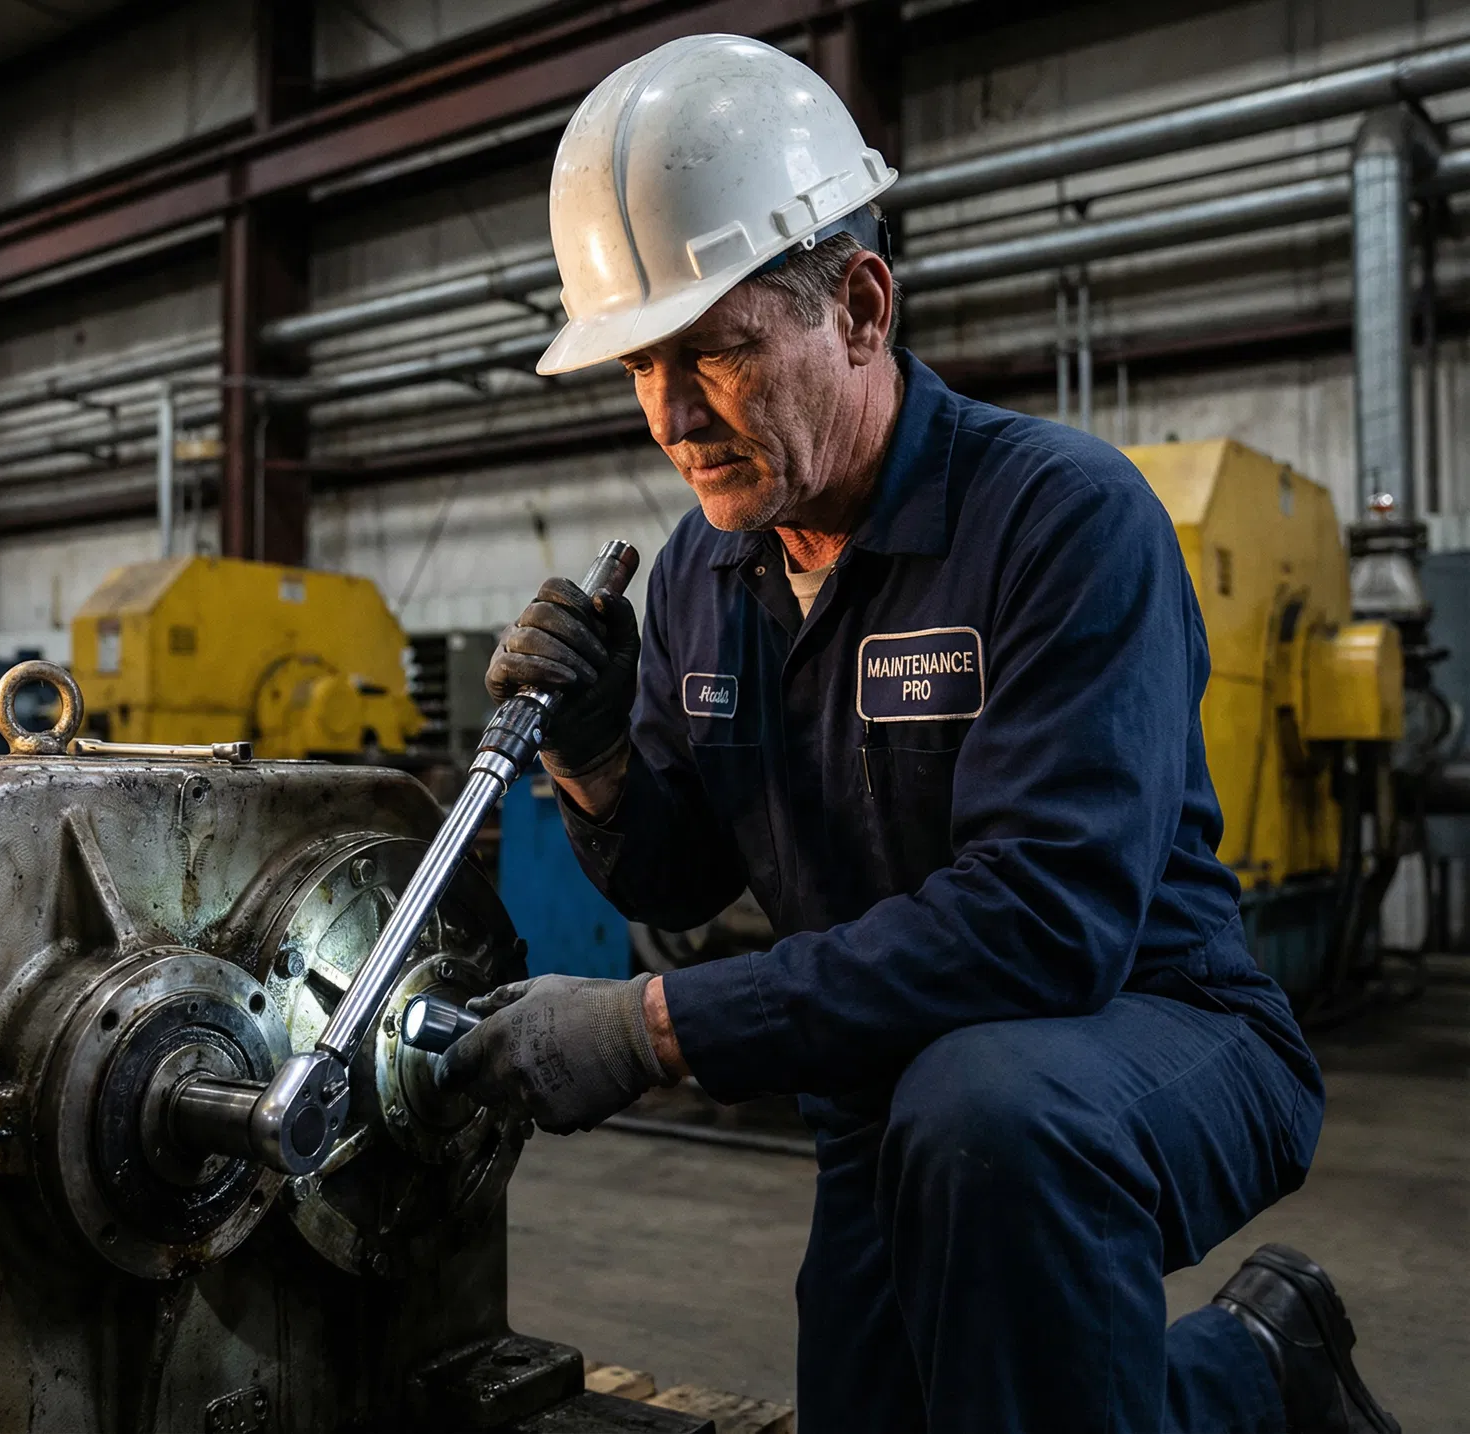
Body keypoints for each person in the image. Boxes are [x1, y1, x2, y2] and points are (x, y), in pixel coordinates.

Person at [434, 33, 1400, 1434]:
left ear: (861, 307)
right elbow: (679, 878)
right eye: (640, 365)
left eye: (717, 351)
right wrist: (592, 757)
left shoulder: (1062, 521)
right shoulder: (706, 570)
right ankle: (1259, 1366)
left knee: (987, 1117)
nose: (673, 418)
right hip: (885, 1090)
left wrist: (654, 1027)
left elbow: (1043, 928)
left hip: (1146, 1034)